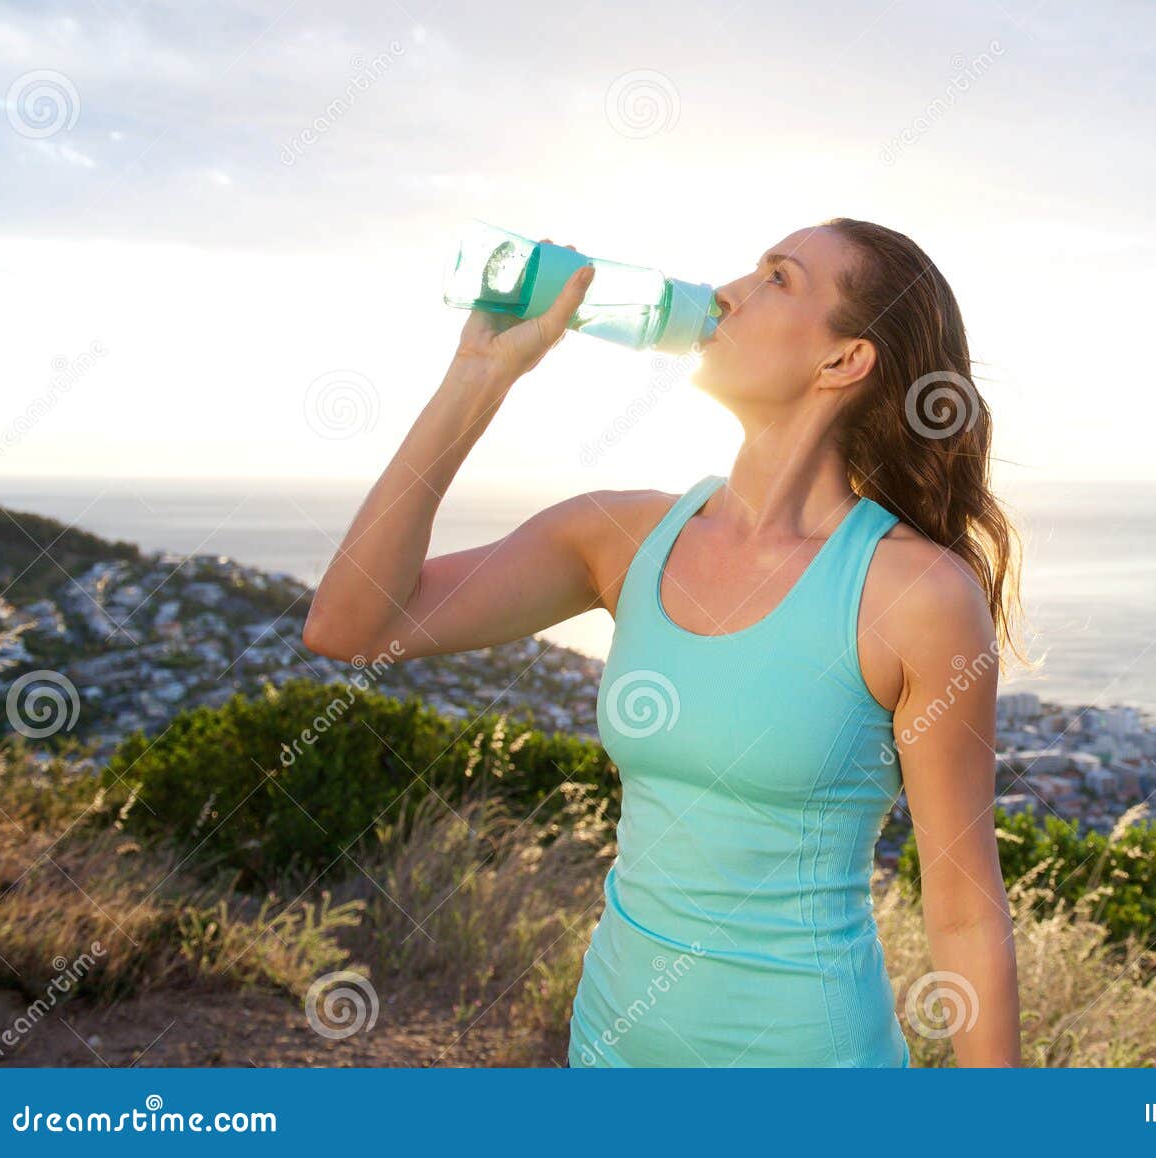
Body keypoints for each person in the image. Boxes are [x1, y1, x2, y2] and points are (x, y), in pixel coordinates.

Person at [304, 218, 1029, 1067]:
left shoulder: (915, 594)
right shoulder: (617, 535)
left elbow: (964, 910)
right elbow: (353, 624)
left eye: (777, 278)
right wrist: (479, 375)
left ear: (844, 360)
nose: (726, 292)